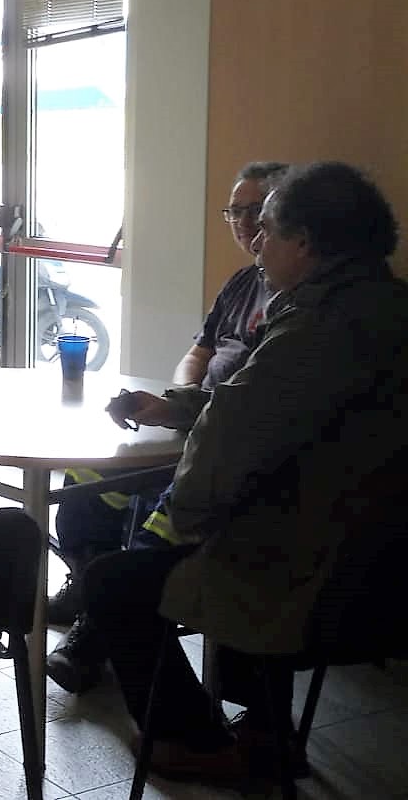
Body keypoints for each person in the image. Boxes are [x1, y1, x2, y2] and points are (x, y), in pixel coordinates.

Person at [85, 161, 408, 783]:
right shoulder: (386, 308)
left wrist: (185, 519)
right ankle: (265, 730)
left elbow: (227, 445)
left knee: (115, 582)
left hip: (310, 579)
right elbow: (274, 415)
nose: (257, 243)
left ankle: (200, 743)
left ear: (303, 242)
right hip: (379, 572)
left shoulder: (315, 327)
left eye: (267, 230)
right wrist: (179, 409)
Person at [47, 162, 289, 693]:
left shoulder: (294, 301)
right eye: (235, 212)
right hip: (193, 418)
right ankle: (86, 585)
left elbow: (253, 405)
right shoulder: (243, 282)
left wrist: (183, 408)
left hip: (225, 442)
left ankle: (94, 632)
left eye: (257, 211)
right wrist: (178, 400)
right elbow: (198, 352)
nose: (245, 223)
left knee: (152, 503)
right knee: (88, 471)